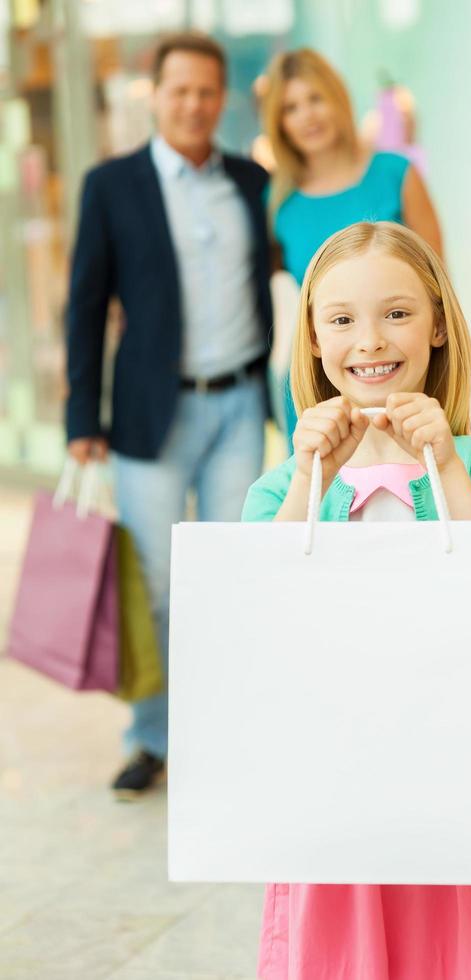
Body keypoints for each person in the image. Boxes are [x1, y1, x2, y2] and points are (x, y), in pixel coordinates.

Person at [243, 221, 471, 980]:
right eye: (341, 319)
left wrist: (446, 465)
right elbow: (251, 618)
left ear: (439, 323)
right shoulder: (282, 487)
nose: (369, 340)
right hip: (329, 802)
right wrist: (311, 479)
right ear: (312, 339)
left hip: (459, 797)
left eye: (397, 313)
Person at [65, 32, 273, 797]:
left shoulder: (253, 182)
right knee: (152, 583)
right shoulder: (110, 185)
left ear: (224, 99)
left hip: (240, 406)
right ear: (154, 95)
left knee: (228, 577)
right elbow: (84, 307)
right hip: (151, 418)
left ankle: (224, 738)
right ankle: (151, 736)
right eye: (179, 90)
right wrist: (81, 417)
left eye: (207, 92)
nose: (193, 104)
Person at [261, 48, 445, 446]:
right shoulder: (278, 204)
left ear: (338, 99)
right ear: (280, 124)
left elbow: (439, 288)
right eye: (291, 108)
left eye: (315, 98)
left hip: (399, 374)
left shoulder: (395, 174)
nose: (308, 115)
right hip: (316, 386)